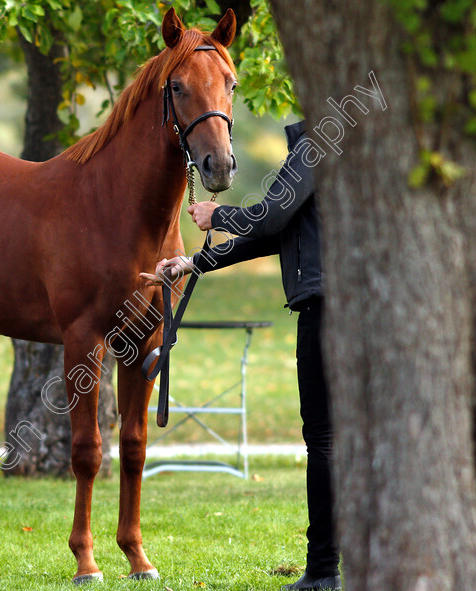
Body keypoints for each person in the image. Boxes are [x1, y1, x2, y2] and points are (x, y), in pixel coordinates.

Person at [141, 120, 340, 591]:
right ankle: (329, 568)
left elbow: (270, 217)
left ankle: (324, 571)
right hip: (344, 302)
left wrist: (220, 215)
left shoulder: (318, 143)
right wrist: (195, 262)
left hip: (328, 306)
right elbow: (276, 233)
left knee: (326, 440)